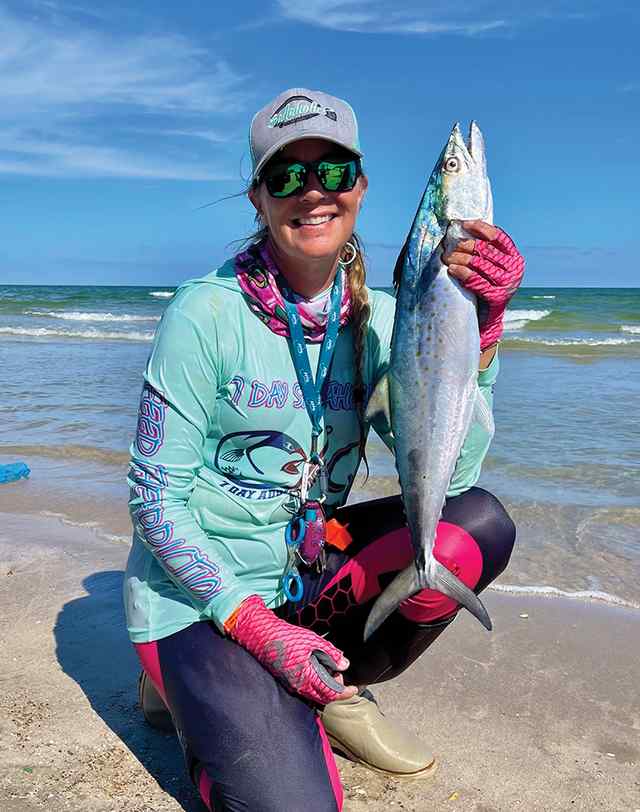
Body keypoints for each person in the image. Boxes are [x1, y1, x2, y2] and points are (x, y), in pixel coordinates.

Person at [124, 87, 524, 812]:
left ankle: (334, 687)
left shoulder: (385, 322)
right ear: (258, 197)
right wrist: (251, 623)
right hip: (202, 601)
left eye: (334, 172)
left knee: (476, 528)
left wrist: (482, 338)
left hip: (306, 587)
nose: (313, 191)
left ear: (362, 188)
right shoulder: (203, 315)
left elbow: (456, 474)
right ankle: (174, 685)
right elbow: (154, 500)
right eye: (287, 175)